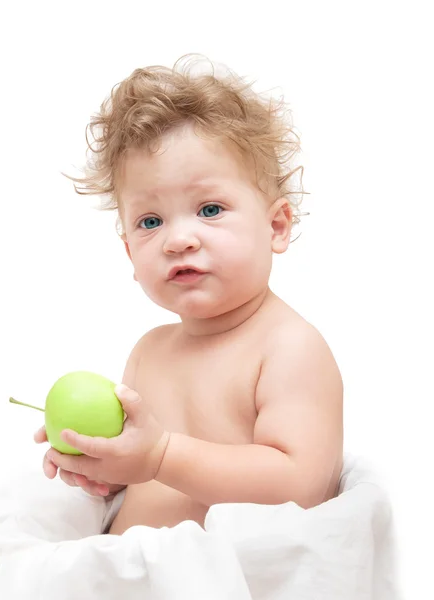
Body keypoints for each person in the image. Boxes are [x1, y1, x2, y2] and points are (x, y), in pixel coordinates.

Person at [34, 54, 344, 536]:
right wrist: (102, 464)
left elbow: (301, 486)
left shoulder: (288, 347)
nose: (178, 239)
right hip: (131, 576)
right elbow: (143, 478)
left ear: (276, 226)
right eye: (150, 221)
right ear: (129, 253)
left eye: (210, 208)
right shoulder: (149, 352)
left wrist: (159, 456)